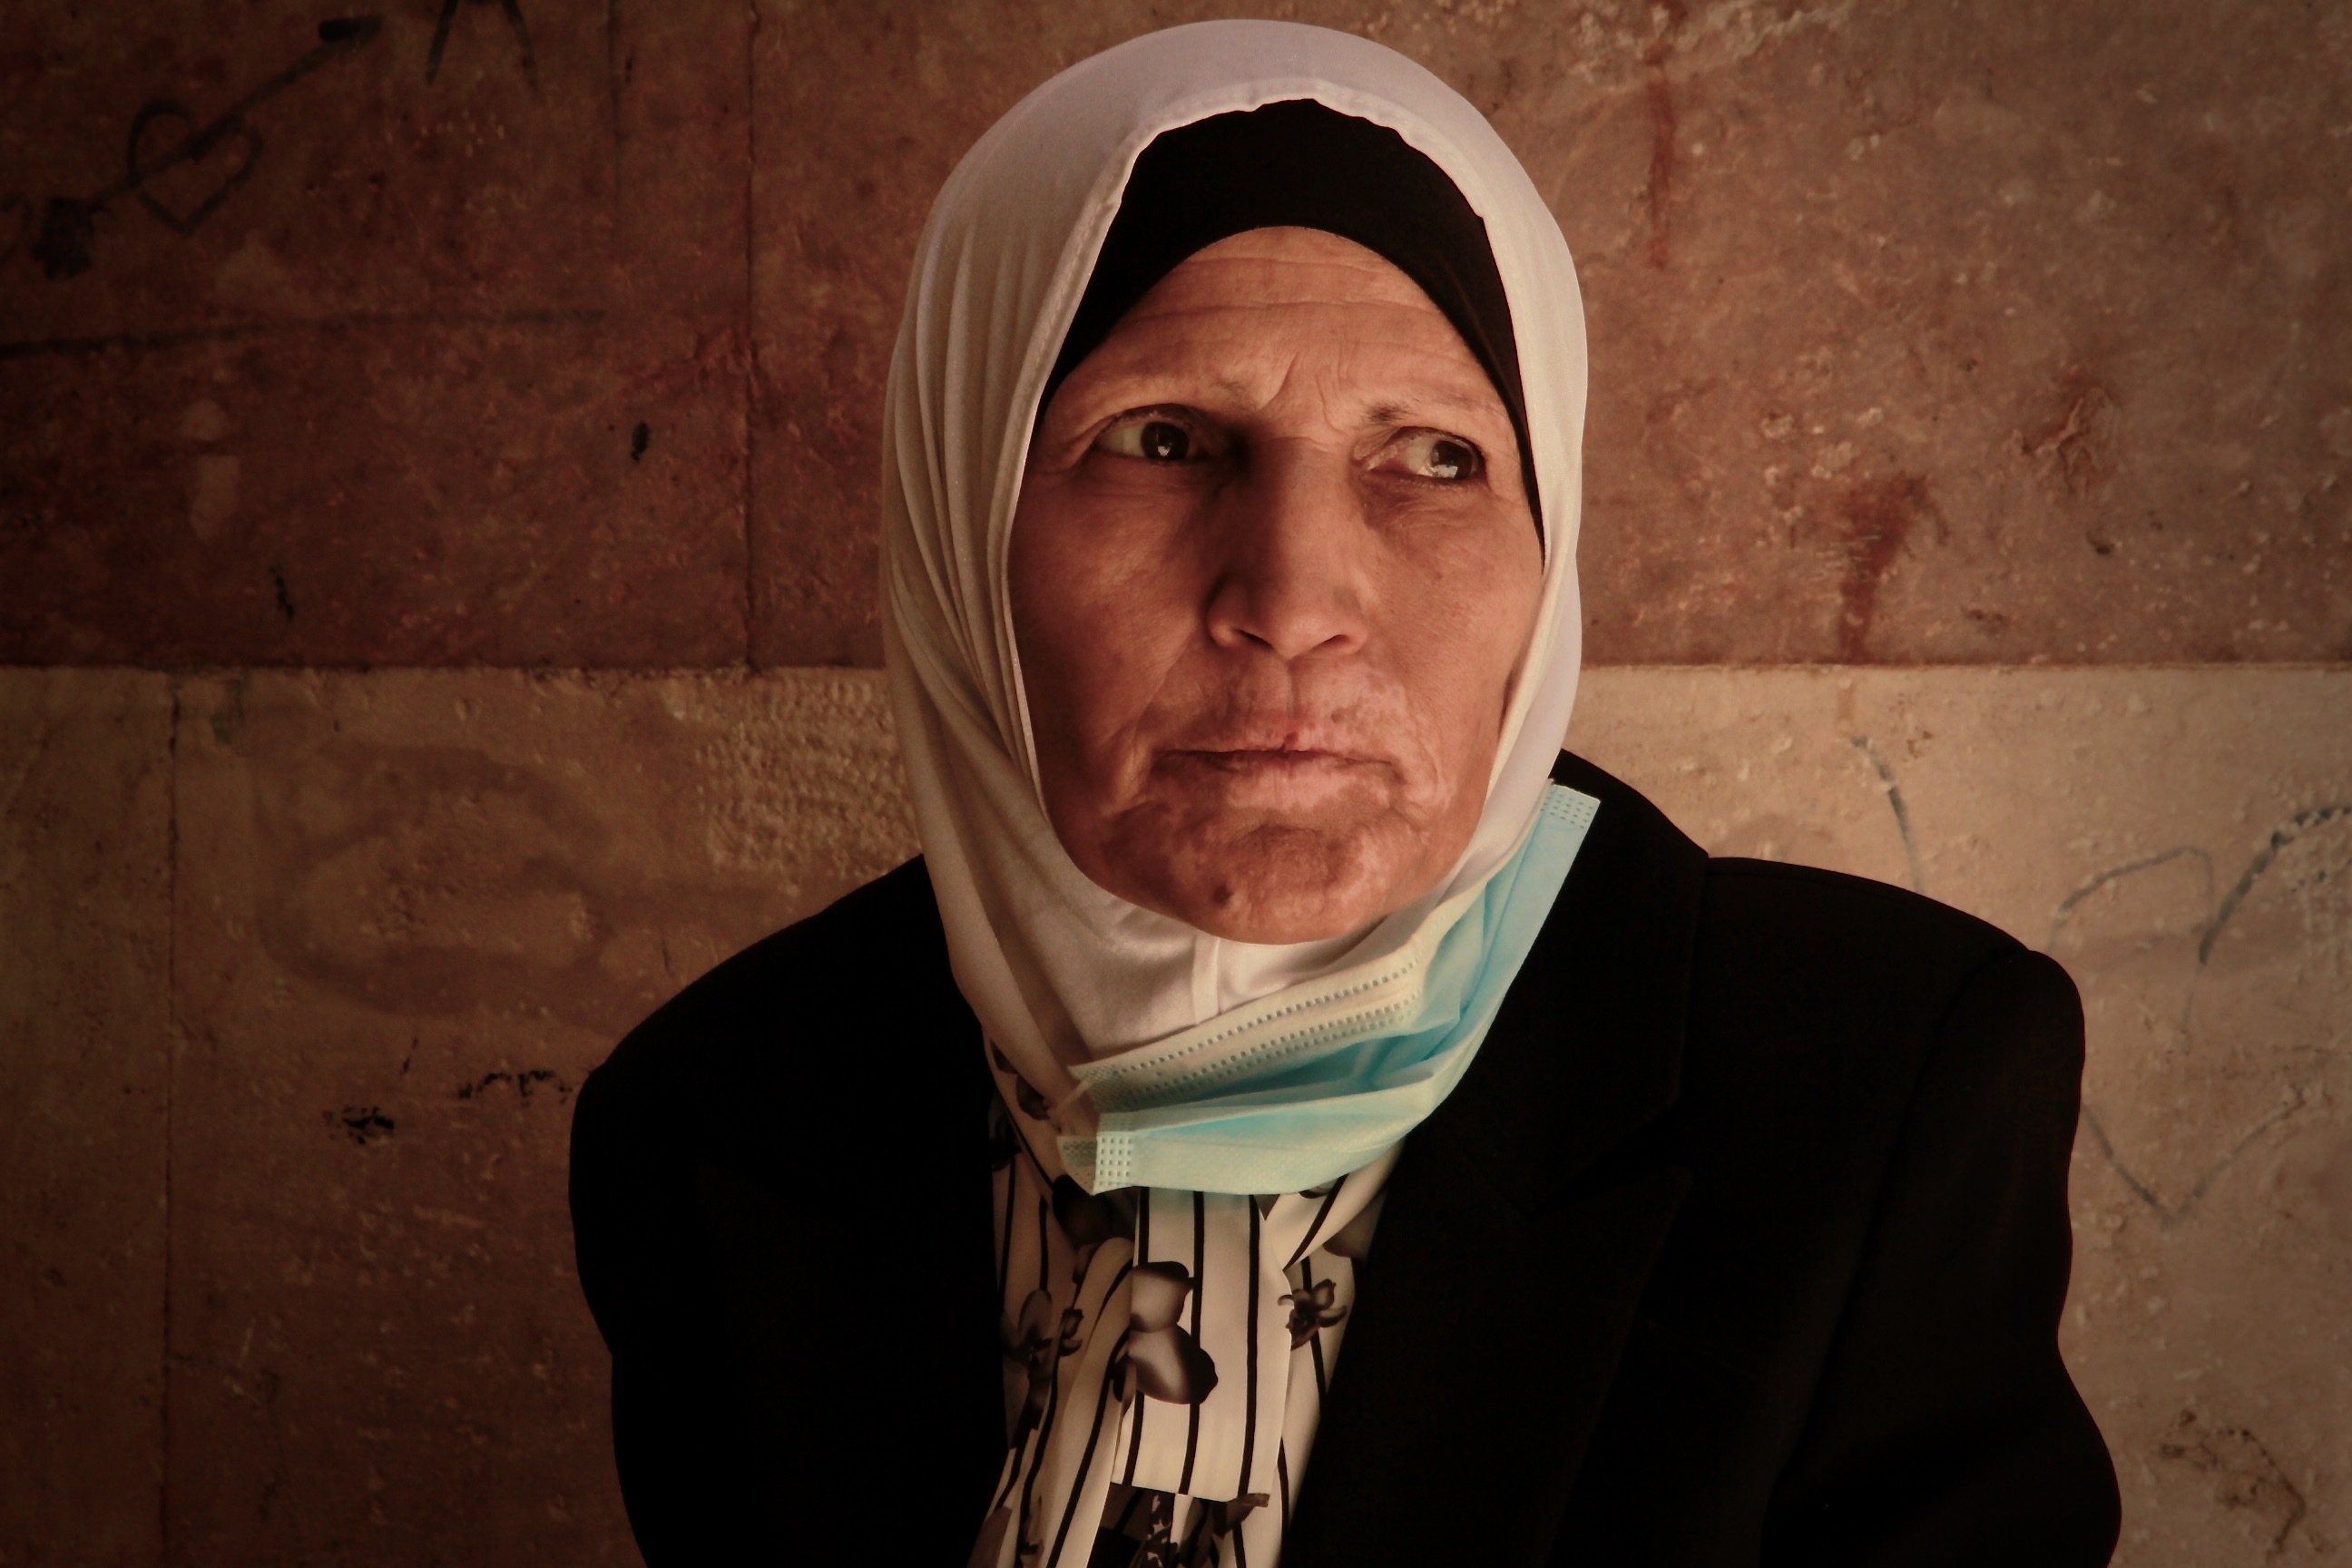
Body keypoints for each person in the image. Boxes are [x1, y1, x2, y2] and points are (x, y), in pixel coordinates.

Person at [569, 22, 2121, 1566]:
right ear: (959, 514)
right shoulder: (723, 1126)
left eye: (1435, 458)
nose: (1296, 600)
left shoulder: (1874, 1101)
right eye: (1162, 441)